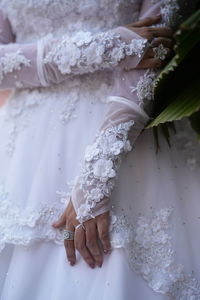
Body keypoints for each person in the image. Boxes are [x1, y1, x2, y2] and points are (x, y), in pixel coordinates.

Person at [0, 0, 199, 299]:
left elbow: (158, 44)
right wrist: (106, 46)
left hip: (128, 140)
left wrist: (97, 179)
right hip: (25, 161)